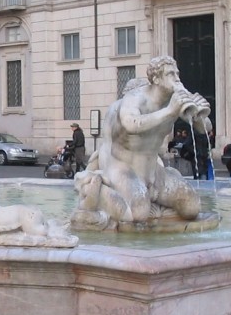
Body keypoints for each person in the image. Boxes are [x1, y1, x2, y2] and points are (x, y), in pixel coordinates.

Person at [74, 56, 210, 225]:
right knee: (139, 213)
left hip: (153, 171)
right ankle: (97, 188)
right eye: (170, 74)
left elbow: (206, 129)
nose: (177, 78)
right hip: (123, 169)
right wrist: (169, 111)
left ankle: (151, 199)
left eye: (177, 73)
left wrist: (198, 114)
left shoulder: (173, 100)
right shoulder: (135, 98)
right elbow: (131, 124)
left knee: (192, 207)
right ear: (156, 78)